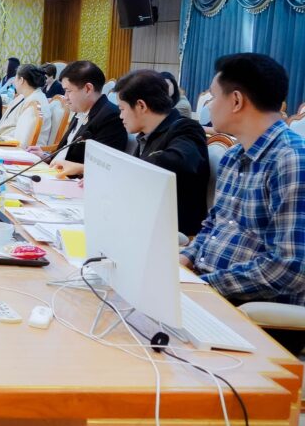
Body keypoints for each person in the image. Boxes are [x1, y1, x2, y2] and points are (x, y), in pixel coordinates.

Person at [181, 53, 305, 310]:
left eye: (214, 97)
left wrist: (203, 286)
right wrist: (186, 258)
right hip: (208, 285)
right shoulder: (234, 155)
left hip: (250, 308)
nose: (209, 107)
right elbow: (214, 224)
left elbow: (289, 268)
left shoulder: (291, 160)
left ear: (236, 100)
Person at [114, 70, 209, 235]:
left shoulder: (186, 128)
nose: (120, 116)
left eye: (122, 109)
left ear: (141, 106)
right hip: (145, 220)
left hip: (173, 232)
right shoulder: (146, 134)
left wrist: (126, 168)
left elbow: (180, 160)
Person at [31, 60, 128, 177]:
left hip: (72, 182)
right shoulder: (81, 109)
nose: (65, 97)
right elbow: (68, 152)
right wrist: (46, 156)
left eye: (68, 91)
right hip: (56, 173)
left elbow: (104, 168)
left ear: (88, 89)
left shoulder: (110, 117)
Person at [0, 64, 51, 145]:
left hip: (26, 148)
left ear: (21, 80)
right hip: (10, 139)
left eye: (15, 78)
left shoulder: (35, 103)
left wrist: (0, 138)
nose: (14, 81)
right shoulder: (26, 96)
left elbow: (23, 138)